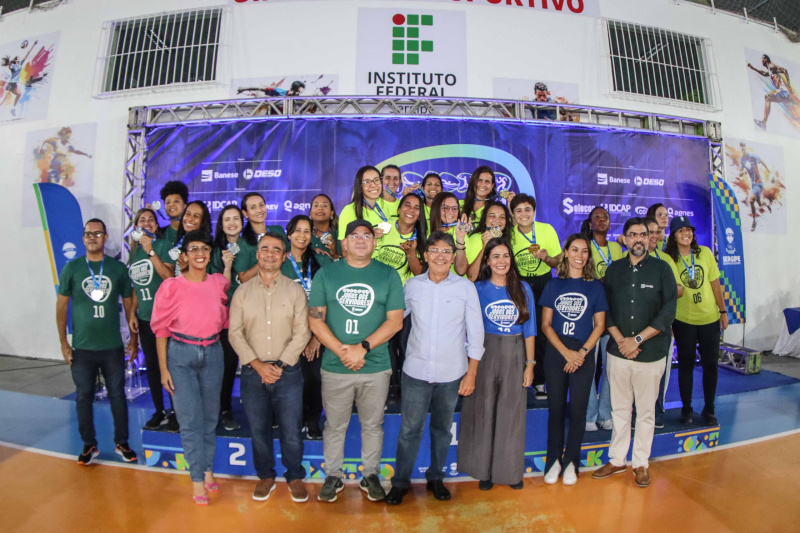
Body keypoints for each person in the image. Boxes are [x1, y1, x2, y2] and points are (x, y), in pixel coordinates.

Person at [308, 220, 404, 503]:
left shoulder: (388, 274)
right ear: (344, 243)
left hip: (375, 365)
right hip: (335, 366)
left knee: (373, 425)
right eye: (354, 236)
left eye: (366, 235)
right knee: (334, 426)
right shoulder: (326, 273)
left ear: (374, 243)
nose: (361, 240)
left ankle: (370, 475)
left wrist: (362, 348)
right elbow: (315, 320)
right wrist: (343, 351)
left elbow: (395, 322)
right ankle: (333, 476)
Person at [386, 231, 484, 505]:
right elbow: (394, 320)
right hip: (415, 372)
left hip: (452, 375)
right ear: (426, 255)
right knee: (410, 430)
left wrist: (471, 373)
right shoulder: (412, 286)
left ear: (453, 257)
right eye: (435, 250)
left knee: (442, 430)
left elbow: (476, 333)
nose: (440, 256)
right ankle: (400, 482)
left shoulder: (465, 288)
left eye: (446, 251)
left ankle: (436, 477)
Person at [592, 217, 677, 489]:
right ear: (625, 238)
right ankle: (617, 459)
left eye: (643, 234)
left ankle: (640, 463)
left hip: (651, 353)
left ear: (651, 238)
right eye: (633, 234)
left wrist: (637, 339)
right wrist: (622, 340)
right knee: (619, 409)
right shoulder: (614, 270)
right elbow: (605, 309)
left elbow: (668, 312)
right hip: (618, 352)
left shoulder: (662, 269)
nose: (638, 239)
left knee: (646, 412)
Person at [229, 232, 312, 503]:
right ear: (257, 254)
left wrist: (279, 365)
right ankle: (265, 475)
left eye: (276, 250)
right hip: (253, 374)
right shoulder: (242, 292)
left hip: (288, 373)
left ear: (284, 256)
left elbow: (302, 332)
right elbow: (234, 333)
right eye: (265, 249)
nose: (270, 254)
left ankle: (295, 476)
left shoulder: (295, 290)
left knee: (291, 430)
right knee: (258, 430)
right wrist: (258, 365)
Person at [151, 230, 230, 505]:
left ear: (210, 253)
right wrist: (164, 370)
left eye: (204, 248)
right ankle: (197, 479)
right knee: (190, 420)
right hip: (181, 355)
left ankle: (207, 471)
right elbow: (161, 331)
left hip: (213, 353)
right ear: (184, 255)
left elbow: (223, 316)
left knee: (210, 418)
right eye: (193, 249)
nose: (200, 253)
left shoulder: (218, 282)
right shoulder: (171, 286)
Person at [56, 218, 137, 466]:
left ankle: (122, 442)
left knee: (117, 396)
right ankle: (88, 444)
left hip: (112, 347)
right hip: (82, 348)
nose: (93, 237)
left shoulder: (117, 268)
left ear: (105, 237)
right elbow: (61, 306)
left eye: (98, 233)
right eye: (88, 234)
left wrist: (133, 340)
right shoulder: (72, 268)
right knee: (83, 397)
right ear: (83, 238)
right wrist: (63, 343)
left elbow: (129, 305)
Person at [457, 238, 536, 490]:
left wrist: (530, 364)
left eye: (506, 256)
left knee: (511, 412)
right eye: (496, 256)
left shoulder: (523, 288)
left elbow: (530, 329)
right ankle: (484, 471)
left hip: (515, 350)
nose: (502, 261)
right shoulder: (478, 288)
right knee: (484, 408)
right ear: (488, 261)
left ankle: (510, 472)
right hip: (486, 350)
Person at [539, 234, 608, 485]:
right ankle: (553, 461)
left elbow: (599, 326)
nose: (580, 255)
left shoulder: (595, 287)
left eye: (584, 251)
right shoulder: (553, 285)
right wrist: (566, 353)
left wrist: (581, 353)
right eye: (575, 250)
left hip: (583, 355)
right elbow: (546, 325)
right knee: (556, 410)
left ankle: (571, 463)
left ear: (588, 256)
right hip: (557, 355)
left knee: (578, 412)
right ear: (565, 252)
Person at [666, 216, 729, 425]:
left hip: (709, 318)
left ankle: (709, 409)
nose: (686, 234)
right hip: (683, 320)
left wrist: (723, 311)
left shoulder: (705, 253)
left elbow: (715, 284)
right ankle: (686, 409)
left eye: (688, 230)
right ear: (673, 235)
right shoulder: (669, 259)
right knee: (686, 365)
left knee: (711, 364)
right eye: (680, 230)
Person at [281, 215, 333, 439]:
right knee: (291, 380)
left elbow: (331, 301)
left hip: (317, 331)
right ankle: (294, 419)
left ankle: (312, 421)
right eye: (297, 231)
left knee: (315, 379)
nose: (302, 236)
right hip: (287, 334)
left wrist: (316, 338)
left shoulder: (322, 260)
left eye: (306, 231)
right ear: (289, 234)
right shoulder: (280, 262)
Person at [126, 208, 177, 431]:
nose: (146, 223)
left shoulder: (164, 246)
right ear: (136, 227)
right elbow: (138, 286)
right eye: (142, 220)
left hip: (166, 318)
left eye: (151, 220)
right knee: (153, 367)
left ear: (156, 226)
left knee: (170, 366)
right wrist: (132, 312)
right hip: (145, 319)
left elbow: (169, 276)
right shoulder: (134, 253)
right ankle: (159, 410)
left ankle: (176, 411)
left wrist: (151, 251)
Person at [373, 193, 427, 402]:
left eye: (416, 207)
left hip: (405, 302)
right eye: (407, 205)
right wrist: (371, 238)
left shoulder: (421, 239)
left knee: (405, 347)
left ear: (420, 214)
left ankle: (405, 389)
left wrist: (411, 255)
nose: (411, 210)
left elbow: (420, 274)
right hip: (378, 300)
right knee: (384, 346)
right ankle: (386, 388)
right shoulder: (382, 230)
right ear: (398, 209)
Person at [509, 193, 561, 399]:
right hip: (519, 284)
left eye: (527, 210)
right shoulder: (509, 234)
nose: (523, 214)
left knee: (542, 332)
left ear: (534, 211)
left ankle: (540, 381)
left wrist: (546, 258)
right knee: (517, 331)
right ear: (513, 214)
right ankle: (516, 378)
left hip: (543, 283)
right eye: (518, 211)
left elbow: (558, 261)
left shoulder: (546, 229)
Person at [581, 206, 624, 432]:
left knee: (611, 368)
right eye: (596, 217)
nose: (601, 219)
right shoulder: (584, 246)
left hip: (613, 313)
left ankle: (605, 413)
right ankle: (589, 414)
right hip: (589, 313)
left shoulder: (617, 248)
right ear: (590, 224)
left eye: (605, 216)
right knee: (588, 365)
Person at [644, 216, 684, 428]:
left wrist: (655, 288)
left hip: (661, 327)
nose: (653, 236)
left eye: (657, 232)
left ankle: (657, 410)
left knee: (660, 372)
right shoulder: (630, 256)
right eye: (649, 232)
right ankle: (636, 411)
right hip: (635, 326)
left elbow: (680, 289)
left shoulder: (666, 259)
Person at [208, 205, 244, 431]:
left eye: (236, 218)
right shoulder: (214, 251)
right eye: (227, 219)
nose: (232, 223)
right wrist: (227, 266)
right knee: (226, 366)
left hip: (250, 315)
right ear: (221, 225)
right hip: (224, 317)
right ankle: (223, 409)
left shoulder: (250, 246)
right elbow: (219, 288)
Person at [234, 192, 288, 284]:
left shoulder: (278, 230)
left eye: (261, 205)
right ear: (245, 213)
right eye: (253, 207)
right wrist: (266, 261)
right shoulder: (242, 243)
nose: (259, 210)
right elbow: (243, 279)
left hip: (282, 284)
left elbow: (290, 256)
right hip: (258, 288)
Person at [337, 166, 398, 242]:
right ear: (360, 186)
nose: (373, 185)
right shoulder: (349, 210)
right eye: (367, 182)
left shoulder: (385, 205)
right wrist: (368, 235)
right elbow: (344, 245)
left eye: (376, 180)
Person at [465, 200, 513, 281]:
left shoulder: (507, 240)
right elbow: (471, 277)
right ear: (485, 219)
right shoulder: (475, 239)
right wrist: (484, 247)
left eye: (502, 217)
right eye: (492, 216)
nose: (497, 220)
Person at [164, 201, 212, 278]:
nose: (190, 219)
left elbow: (205, 279)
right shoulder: (178, 242)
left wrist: (186, 270)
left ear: (203, 221)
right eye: (188, 214)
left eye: (196, 216)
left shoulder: (206, 247)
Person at [748, 54, 796, 130]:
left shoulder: (771, 67)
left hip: (783, 91)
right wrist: (753, 68)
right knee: (791, 111)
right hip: (783, 94)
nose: (761, 61)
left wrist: (788, 84)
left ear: (766, 59)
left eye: (763, 59)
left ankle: (763, 123)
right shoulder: (770, 70)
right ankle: (763, 123)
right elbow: (764, 74)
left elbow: (784, 70)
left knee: (768, 97)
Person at [428, 192, 469, 275]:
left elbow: (461, 271)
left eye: (454, 208)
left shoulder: (462, 235)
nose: (450, 212)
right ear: (436, 209)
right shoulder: (426, 229)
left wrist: (460, 239)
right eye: (445, 208)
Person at [738, 142, 773, 231]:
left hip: (759, 182)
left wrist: (768, 170)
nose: (743, 150)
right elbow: (740, 172)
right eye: (742, 149)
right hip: (753, 185)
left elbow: (761, 161)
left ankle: (754, 221)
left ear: (746, 148)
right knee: (760, 203)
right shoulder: (742, 160)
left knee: (751, 200)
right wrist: (742, 173)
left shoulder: (752, 156)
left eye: (744, 149)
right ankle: (767, 204)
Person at [309, 193, 340, 260]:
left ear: (331, 213)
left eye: (325, 206)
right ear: (310, 213)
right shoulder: (304, 235)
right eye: (316, 205)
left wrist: (335, 253)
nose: (320, 208)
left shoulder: (339, 236)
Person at [158, 180, 189, 245]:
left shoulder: (192, 233)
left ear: (185, 206)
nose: (171, 205)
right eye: (168, 202)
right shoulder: (159, 234)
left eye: (176, 201)